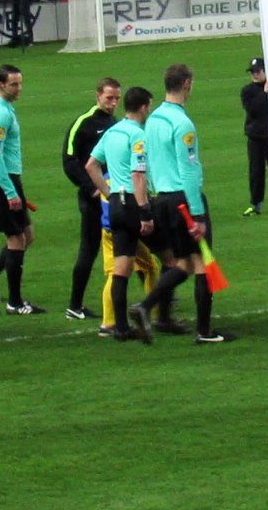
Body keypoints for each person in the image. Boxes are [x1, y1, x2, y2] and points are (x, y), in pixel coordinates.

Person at [129, 64, 234, 344]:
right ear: (187, 84)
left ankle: (146, 306)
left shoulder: (152, 120)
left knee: (184, 263)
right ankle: (204, 331)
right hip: (183, 201)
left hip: (161, 198)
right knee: (201, 262)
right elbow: (188, 171)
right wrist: (197, 214)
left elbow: (146, 162)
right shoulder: (182, 124)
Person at [85, 86, 156, 342]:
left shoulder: (112, 132)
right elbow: (138, 175)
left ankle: (122, 328)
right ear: (144, 107)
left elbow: (91, 165)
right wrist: (145, 212)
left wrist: (106, 191)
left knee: (121, 268)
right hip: (133, 206)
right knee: (173, 259)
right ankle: (159, 313)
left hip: (114, 203)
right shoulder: (138, 135)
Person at [0, 65, 44, 315]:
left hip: (7, 179)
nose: (19, 88)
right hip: (3, 181)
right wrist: (10, 191)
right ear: (0, 85)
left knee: (27, 235)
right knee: (16, 239)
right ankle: (15, 302)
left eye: (20, 83)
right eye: (14, 84)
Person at [61, 78, 121, 320]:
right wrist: (92, 189)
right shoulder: (83, 124)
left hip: (115, 196)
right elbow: (69, 161)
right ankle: (75, 305)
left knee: (132, 244)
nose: (113, 103)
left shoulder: (113, 122)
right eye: (109, 98)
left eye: (117, 98)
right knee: (89, 249)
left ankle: (158, 292)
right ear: (98, 96)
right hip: (94, 199)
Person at [241, 57, 268, 216]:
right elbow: (253, 109)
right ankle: (256, 203)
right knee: (256, 171)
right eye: (253, 72)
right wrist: (265, 93)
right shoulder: (248, 91)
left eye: (258, 71)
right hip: (255, 136)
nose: (255, 74)